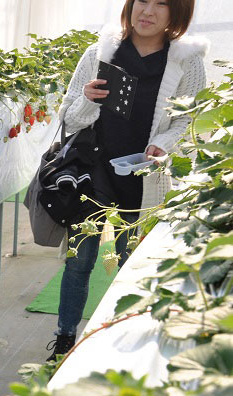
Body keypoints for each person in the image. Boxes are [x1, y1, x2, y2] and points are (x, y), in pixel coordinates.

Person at [47, 0, 208, 361]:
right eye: (141, 1)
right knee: (79, 262)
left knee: (133, 263)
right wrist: (88, 99)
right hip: (93, 174)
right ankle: (64, 340)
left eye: (161, 4)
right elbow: (69, 118)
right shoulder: (101, 51)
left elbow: (189, 119)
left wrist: (162, 144)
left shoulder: (186, 62)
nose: (147, 11)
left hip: (143, 178)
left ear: (176, 13)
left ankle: (128, 346)